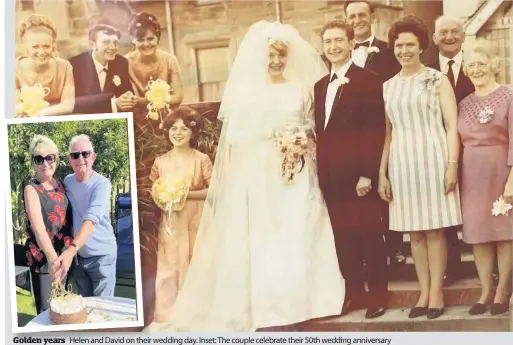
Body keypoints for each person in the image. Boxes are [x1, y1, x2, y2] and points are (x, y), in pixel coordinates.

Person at [144, 20, 344, 332]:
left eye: (281, 56)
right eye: (271, 56)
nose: (276, 61)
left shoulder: (299, 89)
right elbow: (237, 139)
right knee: (267, 237)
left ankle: (304, 301)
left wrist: (298, 142)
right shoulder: (248, 93)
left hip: (295, 169)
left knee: (298, 230)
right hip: (259, 171)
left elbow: (309, 124)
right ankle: (270, 305)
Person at [379, 15, 462, 320]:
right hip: (402, 163)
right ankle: (423, 290)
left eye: (410, 44)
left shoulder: (437, 79)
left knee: (436, 230)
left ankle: (437, 292)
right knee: (414, 233)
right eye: (399, 45)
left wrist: (452, 165)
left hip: (434, 159)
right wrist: (381, 174)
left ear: (421, 46)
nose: (404, 50)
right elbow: (388, 134)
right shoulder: (388, 86)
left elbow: (452, 125)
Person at [315, 20, 387, 319]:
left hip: (359, 176)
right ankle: (355, 294)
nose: (333, 46)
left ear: (350, 44)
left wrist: (368, 173)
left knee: (369, 234)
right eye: (328, 41)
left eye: (339, 41)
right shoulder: (320, 86)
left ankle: (378, 295)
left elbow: (375, 131)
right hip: (331, 178)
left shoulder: (369, 80)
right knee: (342, 238)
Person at [344, 0, 404, 266]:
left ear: (372, 17)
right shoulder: (335, 54)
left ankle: (394, 248)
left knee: (386, 190)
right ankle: (365, 254)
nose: (357, 20)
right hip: (350, 136)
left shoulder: (388, 53)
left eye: (361, 15)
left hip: (384, 129)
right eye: (352, 16)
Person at [457, 39, 512, 316]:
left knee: (504, 234)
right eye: (471, 65)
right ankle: (485, 291)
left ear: (494, 64)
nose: (476, 69)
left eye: (481, 63)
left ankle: (503, 289)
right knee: (478, 235)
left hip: (502, 171)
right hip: (472, 176)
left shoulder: (509, 95)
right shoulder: (464, 102)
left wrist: (512, 180)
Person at [148, 106, 212, 323]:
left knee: (194, 262)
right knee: (170, 264)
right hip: (170, 220)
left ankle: (196, 312)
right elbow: (154, 189)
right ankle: (167, 314)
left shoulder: (201, 159)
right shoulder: (161, 161)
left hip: (195, 218)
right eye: (173, 128)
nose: (178, 133)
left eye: (184, 129)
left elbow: (212, 191)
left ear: (193, 133)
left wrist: (184, 195)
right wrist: (165, 196)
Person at [430, 15, 475, 285]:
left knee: (473, 204)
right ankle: (452, 266)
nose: (449, 37)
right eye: (443, 32)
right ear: (434, 37)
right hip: (437, 148)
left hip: (472, 147)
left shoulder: (475, 66)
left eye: (454, 32)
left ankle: (486, 262)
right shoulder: (424, 68)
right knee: (444, 206)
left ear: (463, 36)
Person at [53, 135, 117, 297]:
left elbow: (91, 219)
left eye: (85, 154)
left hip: (102, 256)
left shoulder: (102, 184)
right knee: (85, 306)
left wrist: (71, 250)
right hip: (79, 258)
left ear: (93, 157)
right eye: (75, 155)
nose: (80, 158)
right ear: (70, 160)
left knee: (103, 308)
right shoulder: (68, 182)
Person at [23, 135, 73, 313]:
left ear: (56, 159)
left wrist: (64, 258)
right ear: (33, 162)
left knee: (63, 309)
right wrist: (54, 261)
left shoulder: (61, 183)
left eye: (49, 157)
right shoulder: (31, 188)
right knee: (47, 312)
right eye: (39, 159)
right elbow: (38, 229)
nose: (45, 163)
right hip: (44, 260)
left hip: (64, 257)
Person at [68, 24, 136, 115]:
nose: (112, 47)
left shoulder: (121, 62)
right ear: (92, 45)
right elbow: (72, 102)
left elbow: (127, 90)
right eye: (106, 42)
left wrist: (129, 98)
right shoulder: (75, 65)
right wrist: (112, 103)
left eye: (115, 43)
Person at [16, 14, 75, 117]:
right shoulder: (12, 69)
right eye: (35, 47)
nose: (41, 52)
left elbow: (68, 105)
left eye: (46, 46)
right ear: (25, 46)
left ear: (53, 45)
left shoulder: (64, 67)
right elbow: (15, 106)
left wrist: (44, 113)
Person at [125, 12, 183, 110]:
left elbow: (178, 97)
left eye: (150, 39)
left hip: (167, 114)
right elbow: (134, 100)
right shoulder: (126, 63)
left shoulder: (169, 60)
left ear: (158, 38)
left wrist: (154, 100)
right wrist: (162, 99)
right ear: (133, 40)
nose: (146, 44)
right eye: (140, 40)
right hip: (138, 117)